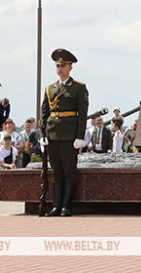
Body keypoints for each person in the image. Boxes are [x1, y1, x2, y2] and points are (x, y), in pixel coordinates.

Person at [40, 48, 89, 217]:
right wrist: (42, 136)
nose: (60, 68)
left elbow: (82, 115)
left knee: (69, 171)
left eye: (63, 65)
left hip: (69, 135)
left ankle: (66, 207)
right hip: (52, 135)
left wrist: (80, 137)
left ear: (70, 67)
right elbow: (44, 114)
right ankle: (56, 206)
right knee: (57, 172)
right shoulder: (49, 89)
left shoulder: (78, 88)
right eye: (58, 65)